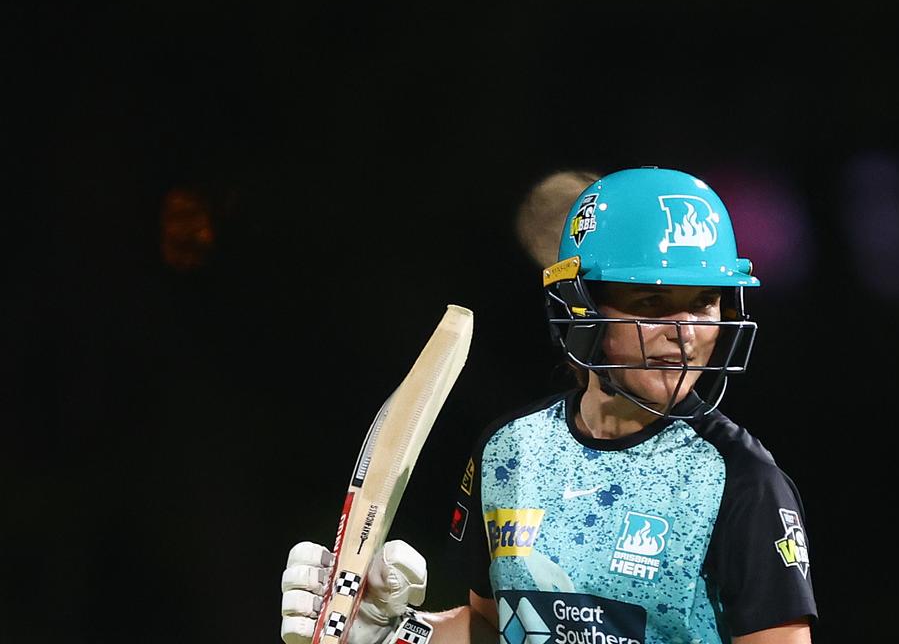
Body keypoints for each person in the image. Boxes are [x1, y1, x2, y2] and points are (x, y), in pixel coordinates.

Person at [281, 166, 818, 643]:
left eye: (704, 302)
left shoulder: (741, 480)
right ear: (581, 310)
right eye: (652, 302)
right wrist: (394, 637)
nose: (685, 335)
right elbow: (495, 627)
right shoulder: (509, 452)